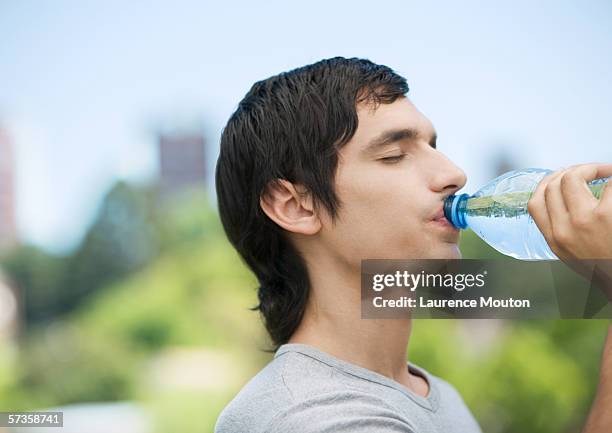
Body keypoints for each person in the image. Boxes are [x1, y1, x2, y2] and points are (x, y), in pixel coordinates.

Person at [214, 57, 612, 432]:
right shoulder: (310, 415)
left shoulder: (432, 394)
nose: (454, 173)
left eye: (432, 147)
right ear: (296, 206)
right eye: (393, 155)